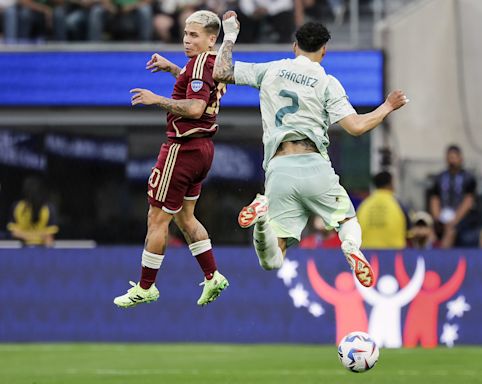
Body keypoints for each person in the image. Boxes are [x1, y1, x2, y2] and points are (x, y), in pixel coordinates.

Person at [213, 12, 408, 288]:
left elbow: (220, 72)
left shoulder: (271, 69)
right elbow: (356, 127)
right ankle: (351, 248)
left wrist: (230, 34)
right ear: (324, 51)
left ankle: (261, 220)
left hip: (280, 168)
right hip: (314, 164)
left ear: (295, 47)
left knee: (273, 259)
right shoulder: (327, 82)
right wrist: (387, 106)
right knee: (348, 221)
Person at [113, 10, 229, 308]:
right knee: (186, 217)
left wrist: (157, 99)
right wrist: (173, 69)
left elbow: (193, 108)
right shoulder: (208, 63)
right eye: (185, 34)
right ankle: (212, 275)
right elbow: (197, 83)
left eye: (194, 35)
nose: (186, 40)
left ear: (211, 39)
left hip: (182, 148)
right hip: (202, 150)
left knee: (157, 217)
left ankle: (146, 286)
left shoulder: (202, 62)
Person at [428, 145, 478, 248]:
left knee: (450, 231)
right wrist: (438, 219)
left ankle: (443, 258)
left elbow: (468, 202)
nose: (452, 161)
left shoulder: (468, 178)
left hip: (460, 218)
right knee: (429, 231)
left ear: (460, 158)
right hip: (443, 215)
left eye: (454, 157)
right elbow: (435, 199)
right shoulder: (440, 178)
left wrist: (454, 221)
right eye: (449, 157)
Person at [356, 171, 408, 249]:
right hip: (393, 254)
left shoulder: (364, 205)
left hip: (367, 253)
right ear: (390, 184)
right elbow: (409, 230)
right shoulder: (397, 204)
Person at [7, 177, 59, 247]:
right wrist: (36, 237)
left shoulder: (48, 208)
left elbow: (49, 238)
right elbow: (15, 233)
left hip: (41, 250)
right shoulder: (17, 207)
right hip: (21, 250)